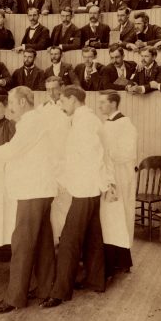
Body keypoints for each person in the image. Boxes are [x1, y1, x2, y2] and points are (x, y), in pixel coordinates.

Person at [0, 86, 59, 313]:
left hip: (33, 190)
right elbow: (14, 149)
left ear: (21, 102)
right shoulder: (34, 120)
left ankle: (14, 297)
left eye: (10, 101)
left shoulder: (31, 122)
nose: (8, 106)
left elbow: (13, 151)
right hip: (40, 189)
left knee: (22, 242)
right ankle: (46, 289)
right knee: (43, 241)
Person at [41, 86, 114, 308]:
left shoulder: (84, 123)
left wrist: (62, 177)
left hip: (84, 188)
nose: (61, 105)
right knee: (92, 236)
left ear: (73, 99)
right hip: (90, 188)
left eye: (62, 101)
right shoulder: (86, 120)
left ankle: (60, 291)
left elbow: (87, 158)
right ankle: (96, 280)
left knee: (69, 241)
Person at [97, 91, 137, 278]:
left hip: (121, 176)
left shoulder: (125, 124)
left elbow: (127, 152)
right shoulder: (107, 123)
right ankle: (113, 260)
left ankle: (120, 260)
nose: (100, 106)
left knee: (119, 216)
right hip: (110, 174)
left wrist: (106, 153)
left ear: (113, 103)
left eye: (103, 102)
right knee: (110, 219)